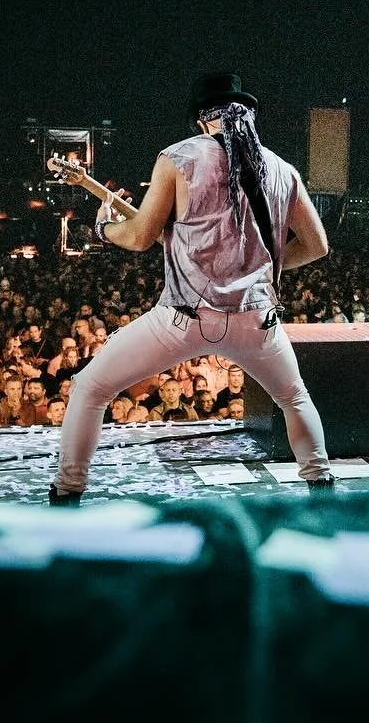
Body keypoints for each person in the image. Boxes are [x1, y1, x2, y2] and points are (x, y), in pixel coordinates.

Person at [48, 71, 335, 504]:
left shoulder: (178, 158)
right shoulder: (282, 170)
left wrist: (105, 228)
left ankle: (67, 491)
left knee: (91, 387)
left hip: (184, 319)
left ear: (203, 120)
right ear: (249, 117)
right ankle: (322, 485)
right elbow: (317, 246)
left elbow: (142, 236)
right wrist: (263, 269)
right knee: (294, 398)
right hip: (257, 320)